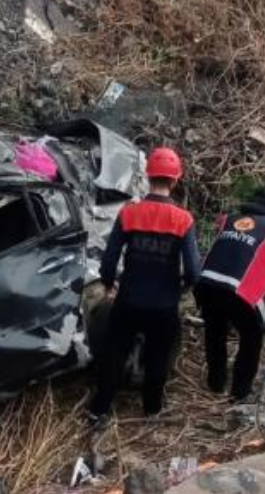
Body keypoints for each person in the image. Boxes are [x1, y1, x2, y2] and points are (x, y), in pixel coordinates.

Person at [88, 147, 199, 420]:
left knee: (113, 352)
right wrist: (183, 287)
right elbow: (194, 270)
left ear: (149, 177)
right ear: (175, 181)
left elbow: (110, 258)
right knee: (158, 357)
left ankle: (99, 410)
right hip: (164, 304)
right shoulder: (183, 220)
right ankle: (151, 410)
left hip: (128, 300)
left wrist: (109, 283)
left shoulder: (129, 213)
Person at [195, 186, 265, 401]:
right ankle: (239, 392)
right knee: (251, 340)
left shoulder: (228, 219)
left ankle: (215, 383)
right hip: (243, 294)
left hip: (207, 284)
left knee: (215, 333)